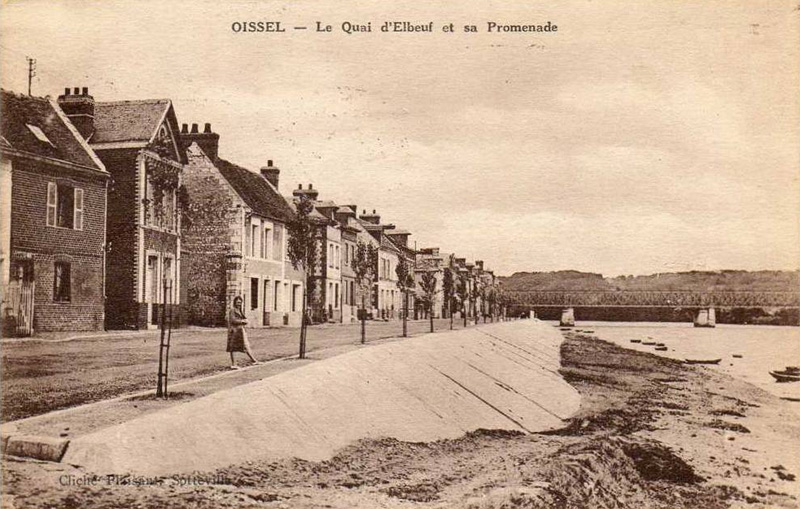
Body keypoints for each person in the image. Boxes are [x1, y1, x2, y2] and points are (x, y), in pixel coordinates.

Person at [227, 296, 259, 369]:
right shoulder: (232, 310)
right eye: (237, 302)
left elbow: (243, 318)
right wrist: (242, 321)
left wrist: (245, 320)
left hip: (240, 330)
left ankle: (254, 360)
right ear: (235, 302)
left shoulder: (240, 310)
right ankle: (234, 364)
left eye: (240, 302)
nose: (239, 304)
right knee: (233, 347)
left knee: (246, 345)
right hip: (234, 331)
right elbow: (233, 320)